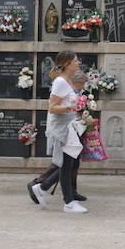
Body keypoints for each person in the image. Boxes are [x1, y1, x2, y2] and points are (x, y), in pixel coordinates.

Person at [27, 51, 88, 214]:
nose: (78, 62)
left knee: (71, 163)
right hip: (63, 129)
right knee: (67, 165)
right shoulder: (60, 82)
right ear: (67, 63)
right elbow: (52, 107)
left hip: (71, 128)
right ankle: (69, 202)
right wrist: (71, 107)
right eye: (76, 60)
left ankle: (42, 188)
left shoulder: (69, 81)